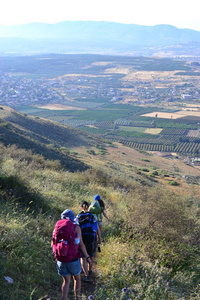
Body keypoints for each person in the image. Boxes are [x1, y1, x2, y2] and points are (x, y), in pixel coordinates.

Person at [52, 209, 91, 300]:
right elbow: (81, 244)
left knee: (66, 281)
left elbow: (53, 243)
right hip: (73, 259)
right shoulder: (76, 227)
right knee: (77, 279)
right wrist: (87, 256)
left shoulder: (57, 227)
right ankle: (77, 298)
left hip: (61, 259)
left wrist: (56, 255)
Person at [76, 201, 101, 282]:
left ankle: (86, 276)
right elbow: (96, 229)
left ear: (81, 208)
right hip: (92, 239)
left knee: (83, 258)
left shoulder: (78, 217)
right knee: (91, 256)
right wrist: (99, 238)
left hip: (82, 240)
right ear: (88, 208)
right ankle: (90, 270)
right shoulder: (93, 216)